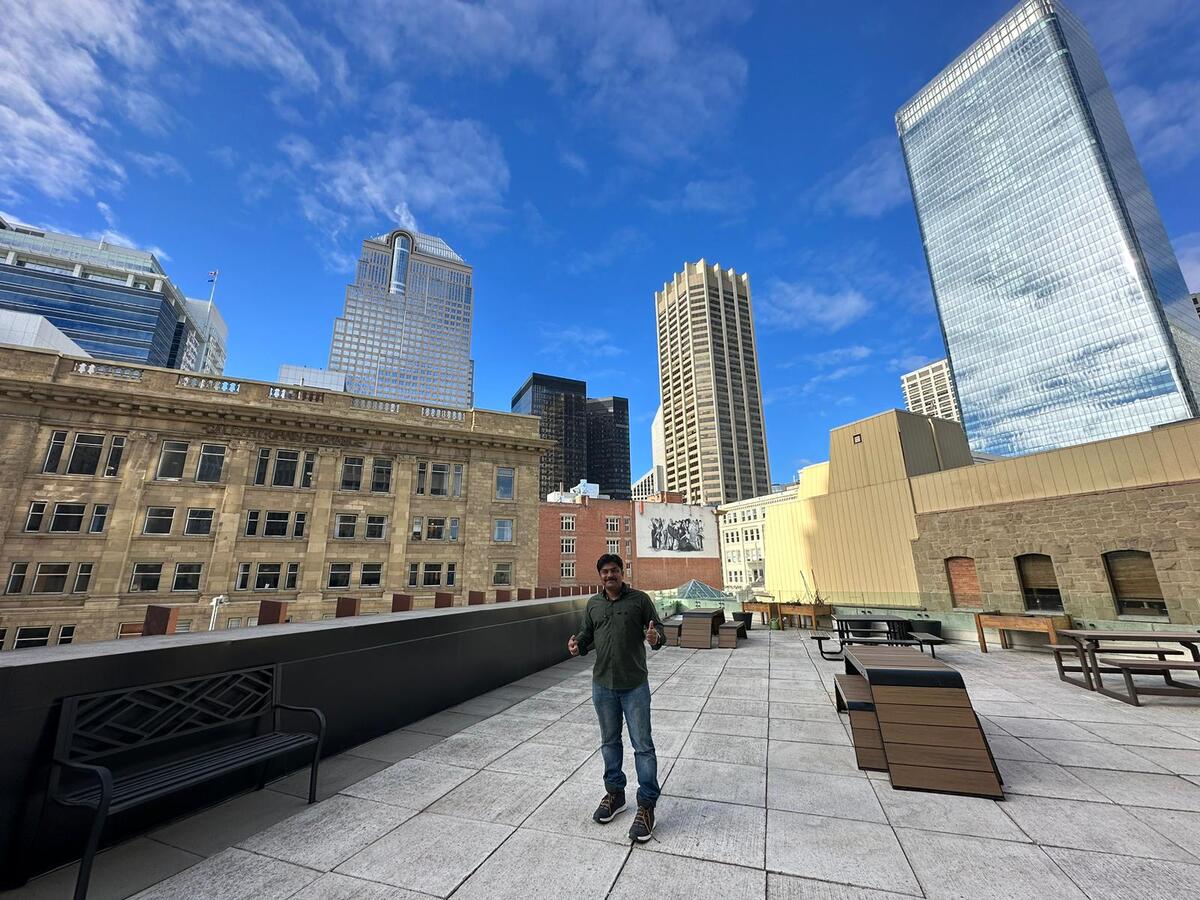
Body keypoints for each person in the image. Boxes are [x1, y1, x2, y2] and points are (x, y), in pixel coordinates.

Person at [568, 553, 666, 842]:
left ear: (622, 573)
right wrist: (577, 645)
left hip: (634, 685)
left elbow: (657, 629)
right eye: (604, 572)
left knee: (643, 746)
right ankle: (615, 794)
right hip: (603, 686)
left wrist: (655, 638)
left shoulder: (639, 600)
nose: (609, 576)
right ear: (600, 576)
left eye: (614, 571)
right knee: (609, 743)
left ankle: (647, 806)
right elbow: (587, 635)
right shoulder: (593, 604)